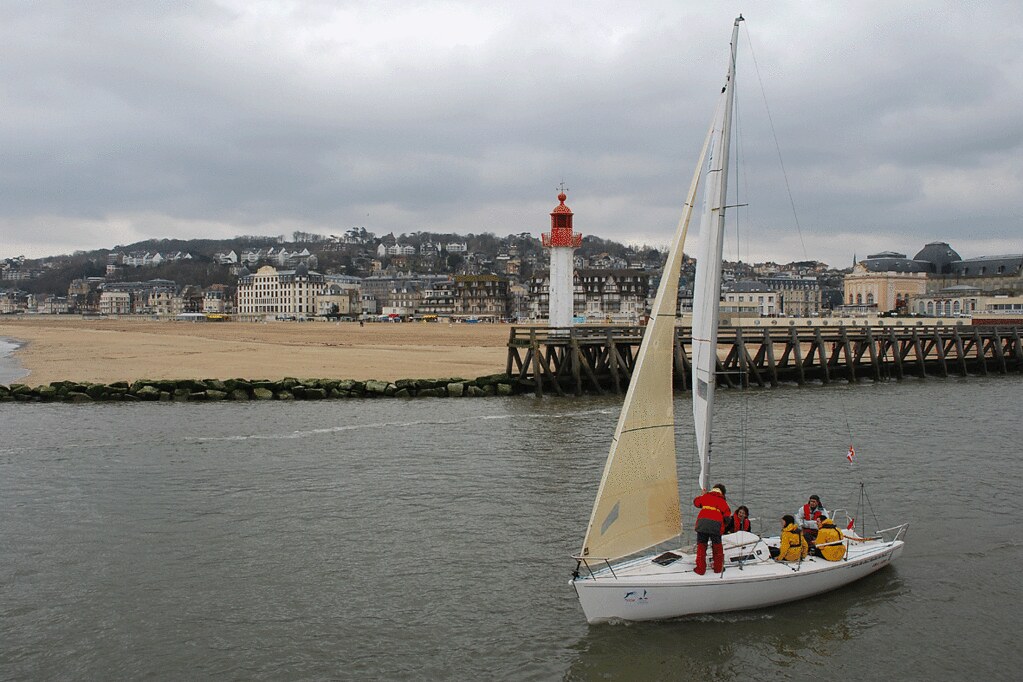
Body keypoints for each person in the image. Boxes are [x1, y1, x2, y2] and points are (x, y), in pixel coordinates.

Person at [692, 484, 731, 575]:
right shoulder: (722, 501)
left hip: (702, 524)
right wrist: (723, 526)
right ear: (722, 493)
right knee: (717, 547)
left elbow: (696, 503)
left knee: (701, 546)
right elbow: (727, 517)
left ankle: (700, 569)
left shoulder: (706, 496)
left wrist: (702, 495)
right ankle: (718, 569)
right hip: (716, 525)